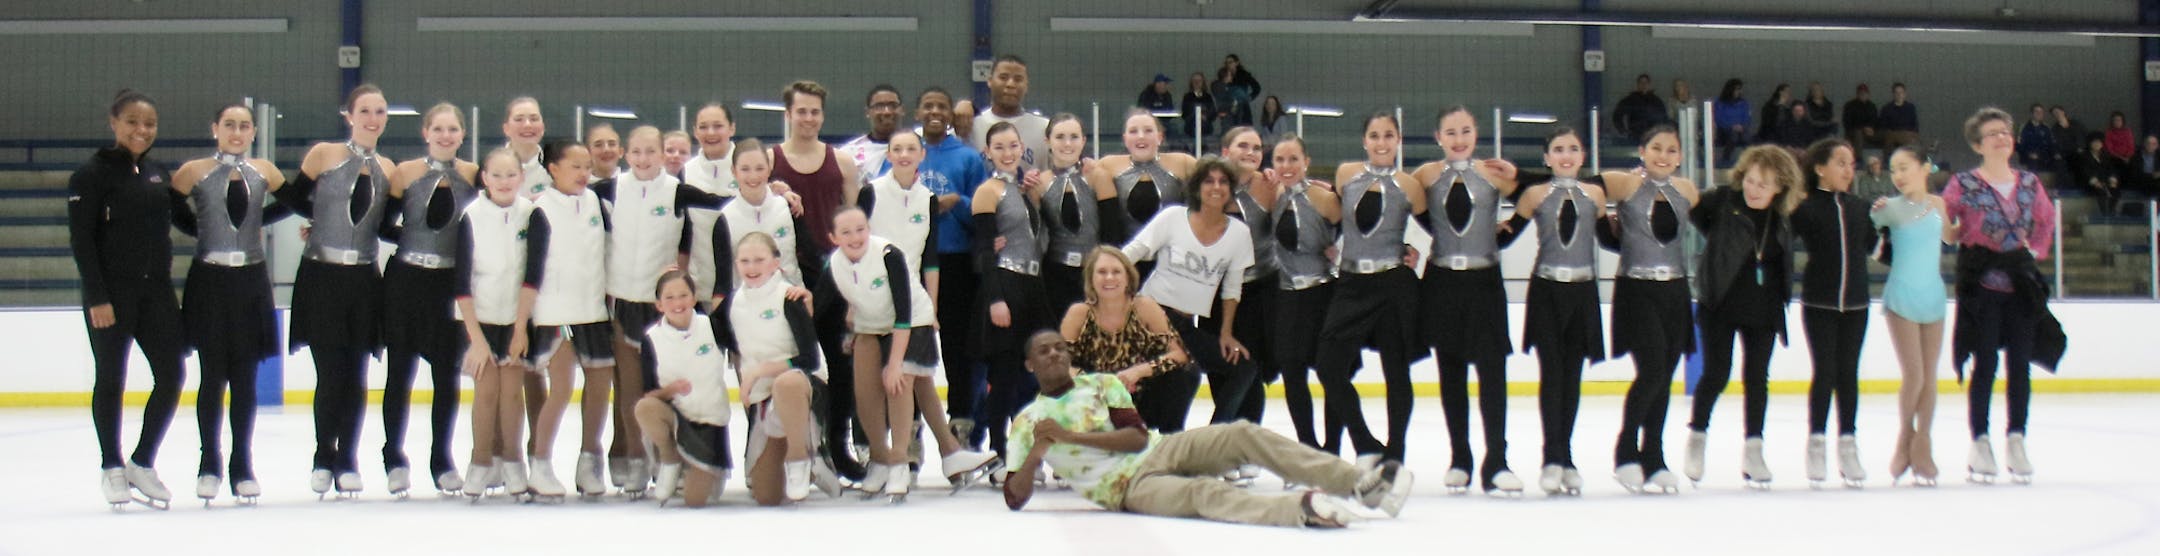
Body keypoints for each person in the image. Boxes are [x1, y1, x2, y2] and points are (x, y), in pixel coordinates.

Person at [1001, 331, 1411, 528]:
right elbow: (1015, 499)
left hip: (1159, 451)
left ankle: (1359, 484)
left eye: (1060, 347)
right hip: (1125, 490)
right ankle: (1301, 511)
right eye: (1044, 351)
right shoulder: (1026, 424)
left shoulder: (1101, 384)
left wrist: (1071, 438)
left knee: (1242, 434)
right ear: (1029, 365)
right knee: (1203, 494)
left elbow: (1136, 438)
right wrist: (1038, 451)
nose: (1055, 353)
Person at [849, 135, 1004, 491]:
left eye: (911, 149)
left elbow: (930, 259)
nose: (904, 155)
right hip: (872, 299)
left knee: (911, 375)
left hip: (914, 302)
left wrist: (932, 308)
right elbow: (854, 247)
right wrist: (852, 300)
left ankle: (915, 457)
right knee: (890, 382)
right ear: (888, 155)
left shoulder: (927, 199)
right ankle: (892, 456)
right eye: (897, 149)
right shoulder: (871, 192)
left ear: (922, 155)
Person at [590, 126, 731, 497]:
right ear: (625, 154)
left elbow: (722, 202)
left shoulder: (676, 191)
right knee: (631, 389)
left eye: (650, 151)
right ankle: (637, 460)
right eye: (636, 152)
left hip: (663, 307)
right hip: (623, 302)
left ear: (663, 153)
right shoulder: (609, 190)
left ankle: (679, 457)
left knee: (671, 384)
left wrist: (777, 192)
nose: (643, 159)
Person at [823, 207, 999, 499]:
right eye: (846, 232)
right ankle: (889, 457)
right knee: (867, 392)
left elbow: (903, 313)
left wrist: (894, 364)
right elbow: (821, 301)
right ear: (833, 237)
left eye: (860, 229)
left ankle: (900, 461)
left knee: (901, 379)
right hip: (871, 324)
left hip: (912, 321)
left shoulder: (888, 255)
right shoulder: (835, 264)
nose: (855, 237)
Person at [274, 84, 397, 499]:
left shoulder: (389, 168)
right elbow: (293, 198)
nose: (373, 117)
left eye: (380, 111)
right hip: (322, 276)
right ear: (349, 114)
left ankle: (348, 459)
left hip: (364, 279)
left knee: (357, 374)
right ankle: (323, 455)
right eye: (365, 110)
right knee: (330, 373)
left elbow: (384, 224)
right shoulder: (324, 153)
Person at [167, 101, 290, 505]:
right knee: (212, 374)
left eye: (244, 126)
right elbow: (173, 210)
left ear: (253, 131)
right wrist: (201, 232)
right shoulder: (194, 171)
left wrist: (258, 225)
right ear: (215, 128)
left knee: (245, 379)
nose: (236, 133)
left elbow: (292, 203)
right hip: (210, 280)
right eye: (229, 125)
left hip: (251, 279)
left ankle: (242, 464)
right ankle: (209, 463)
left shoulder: (265, 171)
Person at [1943, 107, 2066, 485]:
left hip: (2020, 287)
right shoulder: (1963, 184)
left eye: (2006, 132)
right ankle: (1980, 440)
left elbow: (2046, 220)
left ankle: (2016, 438)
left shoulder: (2029, 183)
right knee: (1984, 364)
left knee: (2020, 365)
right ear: (1978, 144)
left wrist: (2035, 251)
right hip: (1981, 287)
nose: (2002, 137)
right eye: (1993, 133)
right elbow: (1947, 227)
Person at [1411, 106, 1523, 495]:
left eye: (1466, 131)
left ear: (1476, 134)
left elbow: (1533, 202)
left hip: (1484, 281)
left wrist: (1517, 184)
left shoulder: (1493, 173)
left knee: (1493, 373)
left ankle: (1497, 460)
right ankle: (1460, 456)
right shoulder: (1426, 175)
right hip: (1441, 280)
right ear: (1438, 137)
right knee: (1451, 372)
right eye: (1451, 132)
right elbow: (1396, 204)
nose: (1459, 139)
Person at [1685, 145, 1802, 489]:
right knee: (1716, 374)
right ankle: (1697, 439)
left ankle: (1754, 450)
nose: (1753, 189)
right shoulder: (1722, 202)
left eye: (1763, 184)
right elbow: (1688, 202)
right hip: (1720, 303)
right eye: (1750, 180)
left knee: (1756, 378)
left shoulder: (1782, 219)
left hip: (1763, 308)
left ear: (1779, 187)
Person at [377, 103, 479, 498]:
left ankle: (441, 460)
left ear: (462, 135)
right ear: (426, 132)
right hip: (405, 281)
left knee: (446, 376)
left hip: (448, 283)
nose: (445, 135)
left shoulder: (472, 175)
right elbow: (381, 221)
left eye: (453, 129)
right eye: (438, 128)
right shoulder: (406, 173)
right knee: (399, 373)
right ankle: (394, 458)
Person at [1317, 112, 1427, 466]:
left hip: (1394, 285)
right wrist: (1327, 244)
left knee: (1397, 371)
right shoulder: (1346, 174)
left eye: (1389, 136)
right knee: (1330, 365)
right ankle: (1365, 442)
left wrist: (1414, 248)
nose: (1382, 142)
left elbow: (1438, 224)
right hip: (1350, 283)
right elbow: (1334, 215)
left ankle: (1396, 451)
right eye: (1375, 135)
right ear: (1364, 141)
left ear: (1398, 142)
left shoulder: (1410, 185)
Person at [1595, 124, 1699, 494]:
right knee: (1653, 368)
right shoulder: (1624, 183)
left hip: (1675, 289)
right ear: (1642, 150)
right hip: (1636, 289)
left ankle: (1653, 455)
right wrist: (1602, 226)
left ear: (1681, 157)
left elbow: (1719, 221)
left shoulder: (1686, 190)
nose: (1663, 155)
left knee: (1664, 374)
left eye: (1672, 150)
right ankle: (1626, 450)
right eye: (1656, 147)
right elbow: (1579, 188)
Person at [1122, 156, 1259, 432]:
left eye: (1223, 181)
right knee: (1185, 376)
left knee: (1244, 367)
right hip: (1150, 318)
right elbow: (1130, 254)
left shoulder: (1239, 234)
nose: (1216, 187)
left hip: (1185, 326)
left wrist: (1226, 333)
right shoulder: (1173, 217)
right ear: (1197, 187)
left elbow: (1232, 288)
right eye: (1209, 181)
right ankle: (1166, 441)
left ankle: (1211, 440)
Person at [774, 81, 865, 481]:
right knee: (797, 365)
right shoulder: (770, 160)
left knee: (839, 367)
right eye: (801, 111)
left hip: (835, 277)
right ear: (788, 115)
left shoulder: (842, 162)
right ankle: (793, 445)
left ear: (823, 116)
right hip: (787, 278)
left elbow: (858, 220)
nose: (808, 118)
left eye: (815, 112)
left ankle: (838, 444)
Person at [1508, 127, 1607, 496]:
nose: (1566, 155)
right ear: (1546, 157)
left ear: (1583, 156)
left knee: (1572, 377)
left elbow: (1611, 240)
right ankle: (1552, 457)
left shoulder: (1595, 195)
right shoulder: (1534, 194)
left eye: (1573, 149)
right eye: (1557, 149)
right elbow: (1506, 234)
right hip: (1547, 291)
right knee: (1552, 374)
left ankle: (1566, 457)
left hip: (1583, 292)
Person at [520, 139, 616, 502]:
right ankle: (541, 461)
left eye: (587, 166)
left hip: (592, 309)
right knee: (560, 386)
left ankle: (590, 457)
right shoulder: (540, 209)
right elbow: (530, 267)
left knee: (600, 382)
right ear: (553, 169)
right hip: (555, 312)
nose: (583, 173)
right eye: (574, 166)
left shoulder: (595, 202)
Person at [713, 232, 841, 505]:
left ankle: (801, 457)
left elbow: (809, 360)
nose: (752, 267)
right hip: (764, 397)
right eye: (745, 261)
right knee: (766, 495)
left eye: (759, 260)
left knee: (787, 382)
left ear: (775, 263)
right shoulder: (733, 304)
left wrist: (757, 372)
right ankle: (807, 451)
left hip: (803, 387)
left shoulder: (789, 297)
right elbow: (705, 334)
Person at [1790, 138, 1878, 488]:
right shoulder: (1806, 207)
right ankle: (1816, 443)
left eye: (1851, 162)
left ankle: (1848, 443)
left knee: (1848, 374)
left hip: (1856, 304)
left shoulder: (1860, 207)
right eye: (1840, 162)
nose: (1848, 169)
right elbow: (1778, 240)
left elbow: (1877, 248)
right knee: (1825, 371)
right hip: (1819, 303)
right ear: (1819, 168)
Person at [455, 147, 539, 502]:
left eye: (511, 175)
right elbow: (461, 282)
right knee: (486, 394)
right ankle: (480, 461)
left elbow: (532, 275)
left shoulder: (532, 214)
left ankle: (513, 462)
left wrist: (521, 327)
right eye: (496, 175)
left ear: (521, 177)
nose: (504, 182)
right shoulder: (471, 216)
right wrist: (476, 339)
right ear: (484, 178)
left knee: (511, 396)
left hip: (518, 319)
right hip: (480, 321)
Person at [912, 87, 992, 446]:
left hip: (956, 261)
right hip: (912, 263)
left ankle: (962, 421)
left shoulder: (968, 158)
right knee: (912, 343)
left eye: (941, 106)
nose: (934, 111)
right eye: (927, 105)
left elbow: (981, 212)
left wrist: (956, 202)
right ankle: (909, 427)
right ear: (917, 112)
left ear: (951, 115)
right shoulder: (905, 153)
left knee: (959, 347)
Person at [1870, 145, 1950, 487]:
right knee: (1914, 374)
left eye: (1904, 167)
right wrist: (1874, 217)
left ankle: (1924, 443)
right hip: (1901, 295)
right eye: (1893, 170)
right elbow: (1862, 233)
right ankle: (1906, 436)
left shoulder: (1939, 205)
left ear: (1924, 168)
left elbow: (1952, 236)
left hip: (1933, 296)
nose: (1898, 176)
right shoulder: (1890, 209)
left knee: (1929, 377)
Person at [973, 121, 1051, 457]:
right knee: (1003, 374)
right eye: (999, 147)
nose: (1007, 153)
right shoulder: (987, 191)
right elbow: (983, 250)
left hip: (1034, 285)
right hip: (1005, 283)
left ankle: (1026, 443)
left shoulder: (1026, 191)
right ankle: (998, 447)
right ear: (988, 152)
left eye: (1013, 145)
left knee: (1031, 375)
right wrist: (995, 298)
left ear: (1023, 148)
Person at [1260, 137, 1343, 456]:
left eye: (1293, 159)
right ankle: (1307, 447)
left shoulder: (1322, 196)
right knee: (1292, 374)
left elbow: (1355, 227)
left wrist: (1339, 248)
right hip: (1286, 297)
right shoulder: (1275, 194)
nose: (1286, 166)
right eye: (1280, 160)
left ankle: (1332, 449)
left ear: (1306, 161)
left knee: (1330, 372)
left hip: (1322, 294)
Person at [1059, 247, 1190, 432]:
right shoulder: (1078, 313)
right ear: (1091, 279)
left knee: (1186, 374)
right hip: (1097, 399)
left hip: (1141, 395)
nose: (1110, 278)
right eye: (1102, 272)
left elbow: (1179, 355)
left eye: (1116, 272)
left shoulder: (1145, 306)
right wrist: (1098, 385)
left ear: (1128, 277)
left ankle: (1168, 444)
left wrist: (1138, 372)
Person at [633, 270, 734, 507]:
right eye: (669, 298)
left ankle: (705, 467)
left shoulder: (712, 326)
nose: (677, 303)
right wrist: (671, 390)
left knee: (696, 500)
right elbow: (650, 393)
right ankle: (670, 459)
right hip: (678, 418)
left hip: (711, 424)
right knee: (644, 407)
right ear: (659, 304)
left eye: (683, 295)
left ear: (694, 297)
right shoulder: (651, 339)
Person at [1213, 128, 1279, 444]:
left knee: (1251, 366)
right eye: (1243, 146)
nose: (1251, 152)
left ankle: (1246, 441)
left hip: (1258, 290)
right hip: (1215, 291)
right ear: (1226, 151)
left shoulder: (1269, 185)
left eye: (1256, 147)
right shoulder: (1209, 184)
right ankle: (1224, 443)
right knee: (1221, 365)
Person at [1098, 108, 1200, 252]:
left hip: (1172, 257)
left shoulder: (1183, 163)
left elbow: (1214, 179)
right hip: (1126, 255)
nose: (1141, 136)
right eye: (1133, 131)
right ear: (1125, 139)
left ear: (1160, 137)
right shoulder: (1107, 166)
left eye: (1148, 131)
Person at [1038, 114, 1110, 309]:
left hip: (1094, 272)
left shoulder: (1097, 176)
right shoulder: (1039, 183)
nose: (1067, 143)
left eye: (1074, 137)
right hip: (1055, 274)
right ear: (1048, 141)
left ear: (1083, 141)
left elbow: (1112, 230)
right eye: (1060, 137)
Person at [683, 103, 740, 308]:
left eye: (718, 126)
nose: (711, 133)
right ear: (695, 131)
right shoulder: (686, 173)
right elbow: (682, 234)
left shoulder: (749, 166)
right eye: (704, 127)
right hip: (700, 287)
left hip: (745, 282)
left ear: (731, 128)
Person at [970, 55, 1051, 168]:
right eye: (1003, 77)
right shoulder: (971, 128)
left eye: (1018, 79)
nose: (1010, 84)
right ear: (989, 81)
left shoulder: (1045, 128)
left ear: (1026, 86)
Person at [838, 84, 902, 186]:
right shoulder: (848, 153)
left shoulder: (918, 149)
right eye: (879, 106)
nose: (887, 112)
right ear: (868, 112)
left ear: (902, 110)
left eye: (892, 106)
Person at [502, 97, 550, 196]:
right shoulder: (491, 165)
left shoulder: (556, 166)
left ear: (543, 127)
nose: (527, 125)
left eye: (534, 119)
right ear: (506, 128)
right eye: (519, 119)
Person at [2071, 133, 2124, 215]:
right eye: (2094, 142)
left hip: (2104, 181)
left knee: (2116, 190)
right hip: (2089, 183)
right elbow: (2084, 172)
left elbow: (2111, 169)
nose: (2097, 144)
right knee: (2101, 191)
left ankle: (2111, 210)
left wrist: (2113, 179)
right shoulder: (2084, 156)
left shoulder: (2105, 156)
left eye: (2099, 142)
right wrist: (2095, 182)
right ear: (2090, 143)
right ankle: (2104, 212)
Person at [1614, 73, 1667, 141]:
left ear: (1649, 84)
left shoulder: (1656, 101)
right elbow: (1617, 116)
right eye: (1641, 82)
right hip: (1635, 136)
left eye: (1646, 83)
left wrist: (1660, 133)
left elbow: (1664, 119)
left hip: (1652, 136)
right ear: (1637, 84)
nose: (1644, 85)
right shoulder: (1630, 100)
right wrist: (1623, 131)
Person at [1215, 54, 1261, 128]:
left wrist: (1249, 97)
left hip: (1242, 105)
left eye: (1230, 62)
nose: (1228, 65)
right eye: (1226, 63)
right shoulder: (1224, 75)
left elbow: (1257, 87)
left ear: (1237, 63)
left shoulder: (1244, 75)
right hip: (1230, 106)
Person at [1714, 79, 1752, 166]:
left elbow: (1747, 118)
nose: (1739, 91)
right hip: (1725, 130)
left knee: (1746, 137)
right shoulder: (1720, 103)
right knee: (1733, 136)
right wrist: (1731, 126)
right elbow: (1718, 119)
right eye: (1737, 89)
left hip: (1741, 129)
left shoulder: (1744, 103)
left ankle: (1750, 159)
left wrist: (1741, 126)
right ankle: (1726, 159)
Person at [2017, 104, 2059, 174]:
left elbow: (2051, 144)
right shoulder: (2024, 127)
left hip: (2044, 156)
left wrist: (2056, 153)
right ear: (2032, 114)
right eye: (2037, 112)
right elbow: (2019, 145)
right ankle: (2033, 184)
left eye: (2041, 112)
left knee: (2059, 162)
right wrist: (2029, 154)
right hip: (2029, 157)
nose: (2039, 114)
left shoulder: (2046, 128)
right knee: (2033, 164)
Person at [1180, 72, 1218, 150]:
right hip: (1191, 125)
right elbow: (1184, 114)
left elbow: (1213, 113)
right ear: (1191, 83)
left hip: (1205, 126)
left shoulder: (1207, 97)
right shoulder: (1187, 97)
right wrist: (1195, 116)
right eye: (1195, 81)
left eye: (1199, 81)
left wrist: (1206, 117)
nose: (1197, 83)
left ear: (1203, 83)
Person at [1879, 83, 1920, 152]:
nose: (1899, 95)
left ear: (1905, 94)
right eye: (1897, 92)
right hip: (1894, 134)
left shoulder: (1910, 107)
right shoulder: (1887, 108)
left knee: (1911, 138)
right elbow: (1883, 125)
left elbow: (1915, 125)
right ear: (1893, 94)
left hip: (1908, 133)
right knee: (1890, 136)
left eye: (1901, 92)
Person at [1842, 84, 1878, 150]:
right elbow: (1847, 123)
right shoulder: (1850, 106)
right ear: (1857, 94)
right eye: (1861, 93)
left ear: (1868, 94)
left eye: (1865, 93)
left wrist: (1871, 128)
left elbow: (1875, 120)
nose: (1863, 94)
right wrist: (1863, 128)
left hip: (1869, 132)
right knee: (1858, 133)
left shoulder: (1872, 106)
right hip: (1853, 132)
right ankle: (1859, 158)